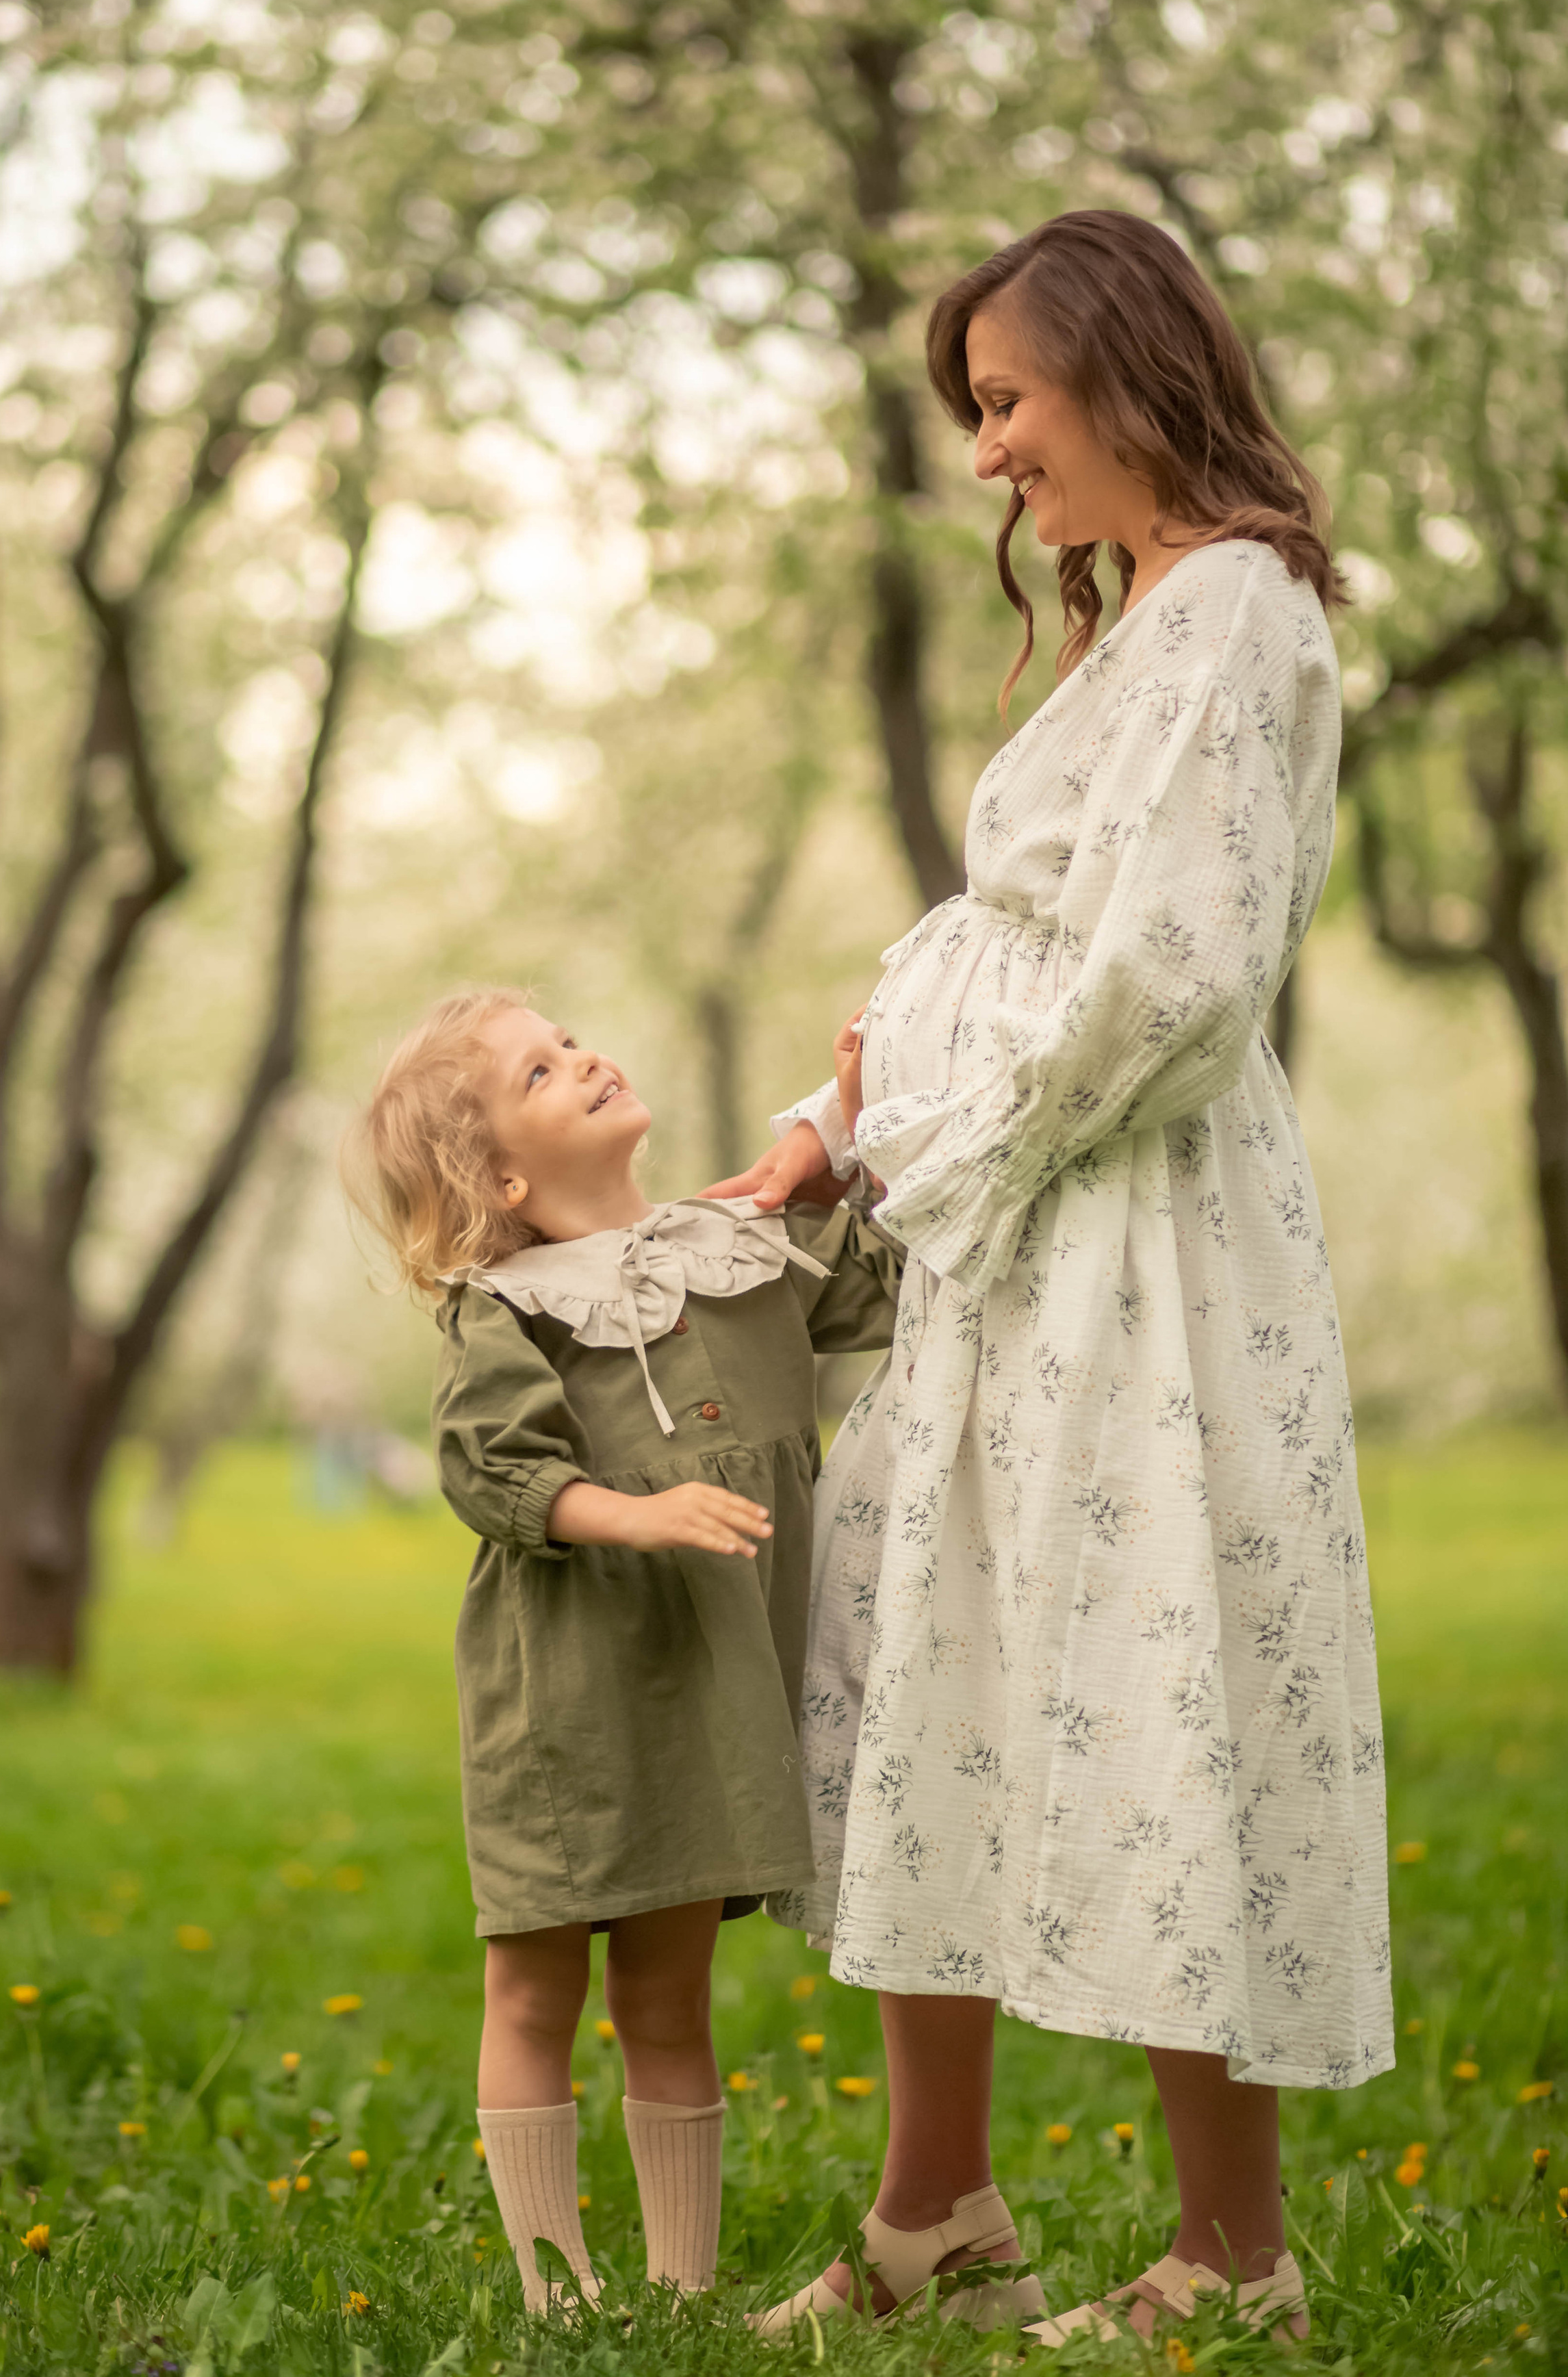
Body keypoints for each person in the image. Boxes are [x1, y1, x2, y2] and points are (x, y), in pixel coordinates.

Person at [711, 211, 1393, 2350]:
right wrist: (834, 1128)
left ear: (1123, 365)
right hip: (1015, 1238)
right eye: (975, 412)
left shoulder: (1236, 615)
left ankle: (1235, 2259)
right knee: (940, 1665)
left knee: (1155, 1672)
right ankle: (938, 2215)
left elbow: (1165, 984)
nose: (990, 453)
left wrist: (929, 1159)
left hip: (1121, 1242)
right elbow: (999, 946)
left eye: (1007, 399)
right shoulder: (1148, 624)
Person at [343, 989, 907, 2313]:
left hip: (708, 1693)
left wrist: (857, 1124)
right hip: (565, 1701)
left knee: (668, 1993)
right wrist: (636, 1513)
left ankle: (679, 2293)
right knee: (535, 1988)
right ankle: (554, 2292)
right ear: (502, 1179)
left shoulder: (740, 1244)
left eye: (569, 1040)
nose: (584, 1057)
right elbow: (490, 1467)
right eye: (539, 1072)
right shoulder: (508, 1305)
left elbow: (890, 1281)